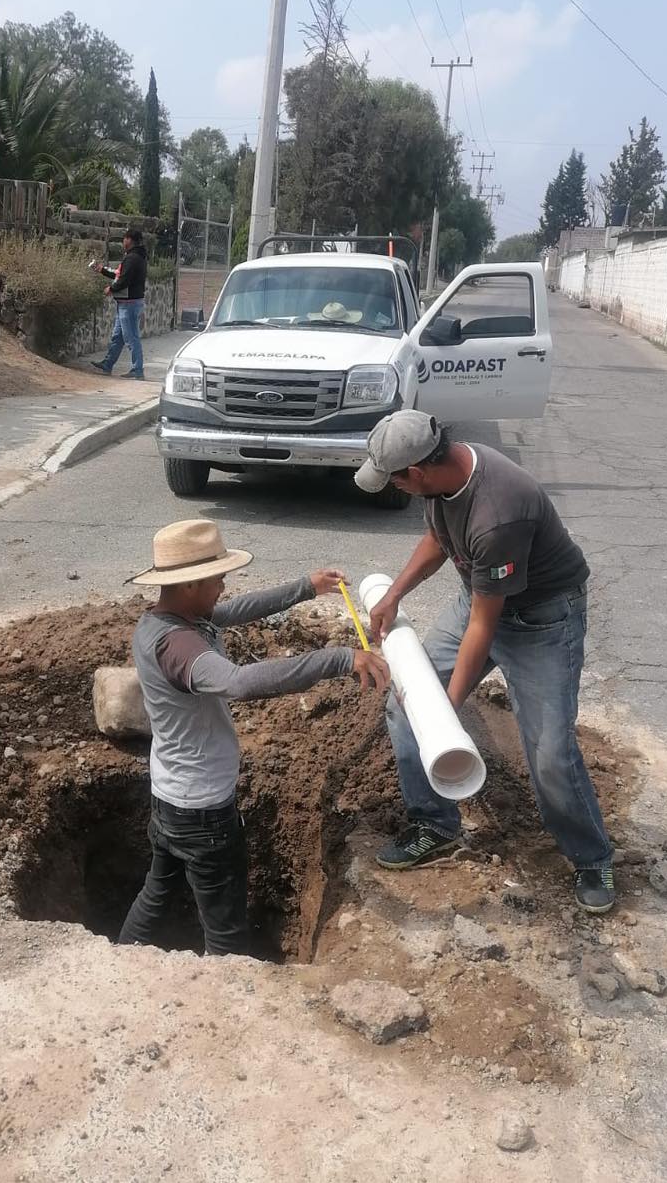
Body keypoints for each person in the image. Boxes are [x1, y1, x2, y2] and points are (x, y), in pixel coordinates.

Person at [356, 409, 615, 913]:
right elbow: (438, 536)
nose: (395, 488)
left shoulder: (499, 508)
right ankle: (435, 821)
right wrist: (395, 594)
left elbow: (484, 627)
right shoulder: (445, 482)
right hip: (480, 596)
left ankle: (591, 856)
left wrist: (446, 710)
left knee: (550, 752)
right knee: (404, 702)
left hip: (543, 621)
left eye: (395, 481)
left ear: (419, 472)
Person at [118, 518, 390, 956]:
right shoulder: (179, 646)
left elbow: (237, 609)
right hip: (203, 815)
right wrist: (339, 658)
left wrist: (306, 586)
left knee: (157, 892)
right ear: (190, 585)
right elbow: (240, 683)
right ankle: (225, 1004)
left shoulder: (164, 621)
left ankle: (120, 959)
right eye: (218, 579)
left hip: (169, 799)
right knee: (224, 931)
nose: (224, 587)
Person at [91, 227, 148, 380]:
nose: (123, 241)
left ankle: (137, 369)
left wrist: (112, 288)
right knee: (118, 337)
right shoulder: (136, 257)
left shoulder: (132, 258)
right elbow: (119, 275)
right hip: (127, 303)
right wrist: (102, 270)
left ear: (129, 240)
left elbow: (124, 279)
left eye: (124, 238)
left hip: (129, 304)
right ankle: (108, 364)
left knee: (131, 338)